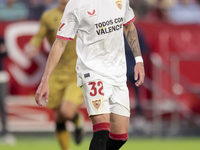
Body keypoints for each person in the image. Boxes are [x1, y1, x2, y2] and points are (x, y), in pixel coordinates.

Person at [35, 0, 145, 150]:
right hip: (92, 71)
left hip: (118, 73)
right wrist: (45, 79)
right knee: (102, 131)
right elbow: (60, 43)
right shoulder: (76, 4)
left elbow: (128, 26)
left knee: (120, 136)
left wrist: (139, 60)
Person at [25, 0, 84, 150]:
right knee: (58, 116)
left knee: (66, 111)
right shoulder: (48, 16)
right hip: (57, 72)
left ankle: (77, 121)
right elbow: (39, 35)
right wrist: (34, 44)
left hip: (76, 71)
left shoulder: (83, 13)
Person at [0, 38, 16, 145]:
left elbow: (5, 52)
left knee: (2, 105)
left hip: (1, 77)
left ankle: (5, 132)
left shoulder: (1, 39)